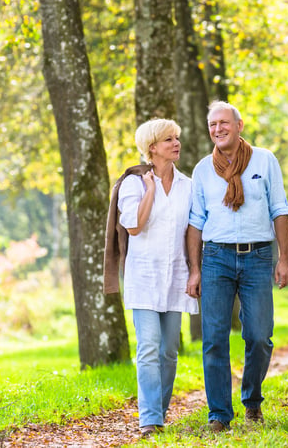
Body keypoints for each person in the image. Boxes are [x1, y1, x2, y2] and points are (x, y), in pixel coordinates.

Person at [185, 100, 288, 432]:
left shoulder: (265, 160)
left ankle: (253, 400)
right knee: (214, 338)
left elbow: (280, 209)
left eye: (224, 123)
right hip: (215, 257)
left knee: (259, 336)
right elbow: (195, 222)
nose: (218, 129)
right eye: (212, 124)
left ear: (239, 125)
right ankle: (218, 414)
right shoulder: (203, 169)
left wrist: (284, 258)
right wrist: (195, 268)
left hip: (258, 256)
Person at [104, 118, 199, 437]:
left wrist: (195, 271)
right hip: (143, 276)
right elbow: (133, 226)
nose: (177, 143)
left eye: (177, 138)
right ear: (152, 147)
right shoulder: (133, 183)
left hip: (176, 276)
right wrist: (149, 190)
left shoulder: (187, 185)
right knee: (148, 347)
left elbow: (191, 231)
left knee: (169, 350)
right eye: (169, 139)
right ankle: (150, 419)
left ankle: (160, 409)